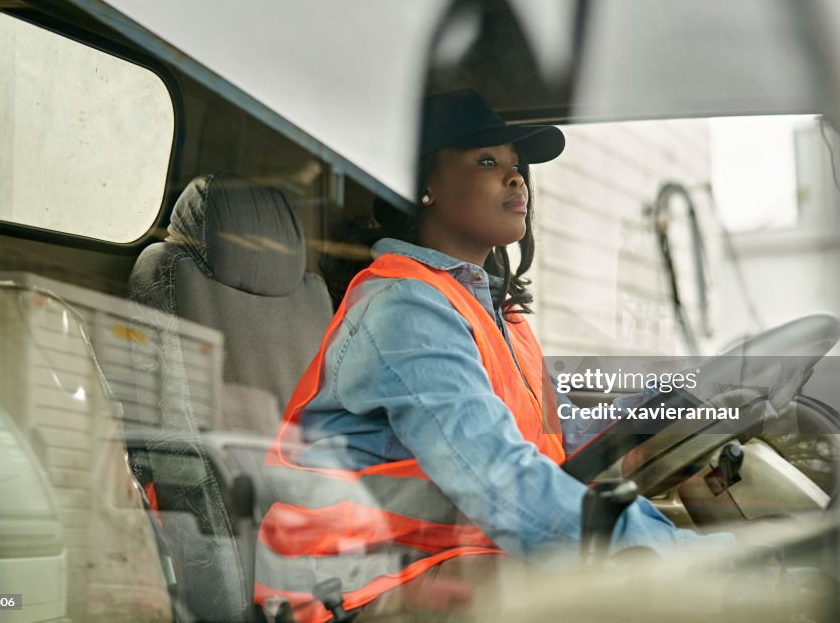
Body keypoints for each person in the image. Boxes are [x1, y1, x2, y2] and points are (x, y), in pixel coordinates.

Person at [254, 90, 720, 622]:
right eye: (487, 161)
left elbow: (560, 436)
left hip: (438, 558)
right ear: (425, 185)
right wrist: (677, 554)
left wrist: (674, 406)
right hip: (353, 585)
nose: (516, 178)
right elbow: (496, 476)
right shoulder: (403, 306)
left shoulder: (502, 317)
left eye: (516, 166)